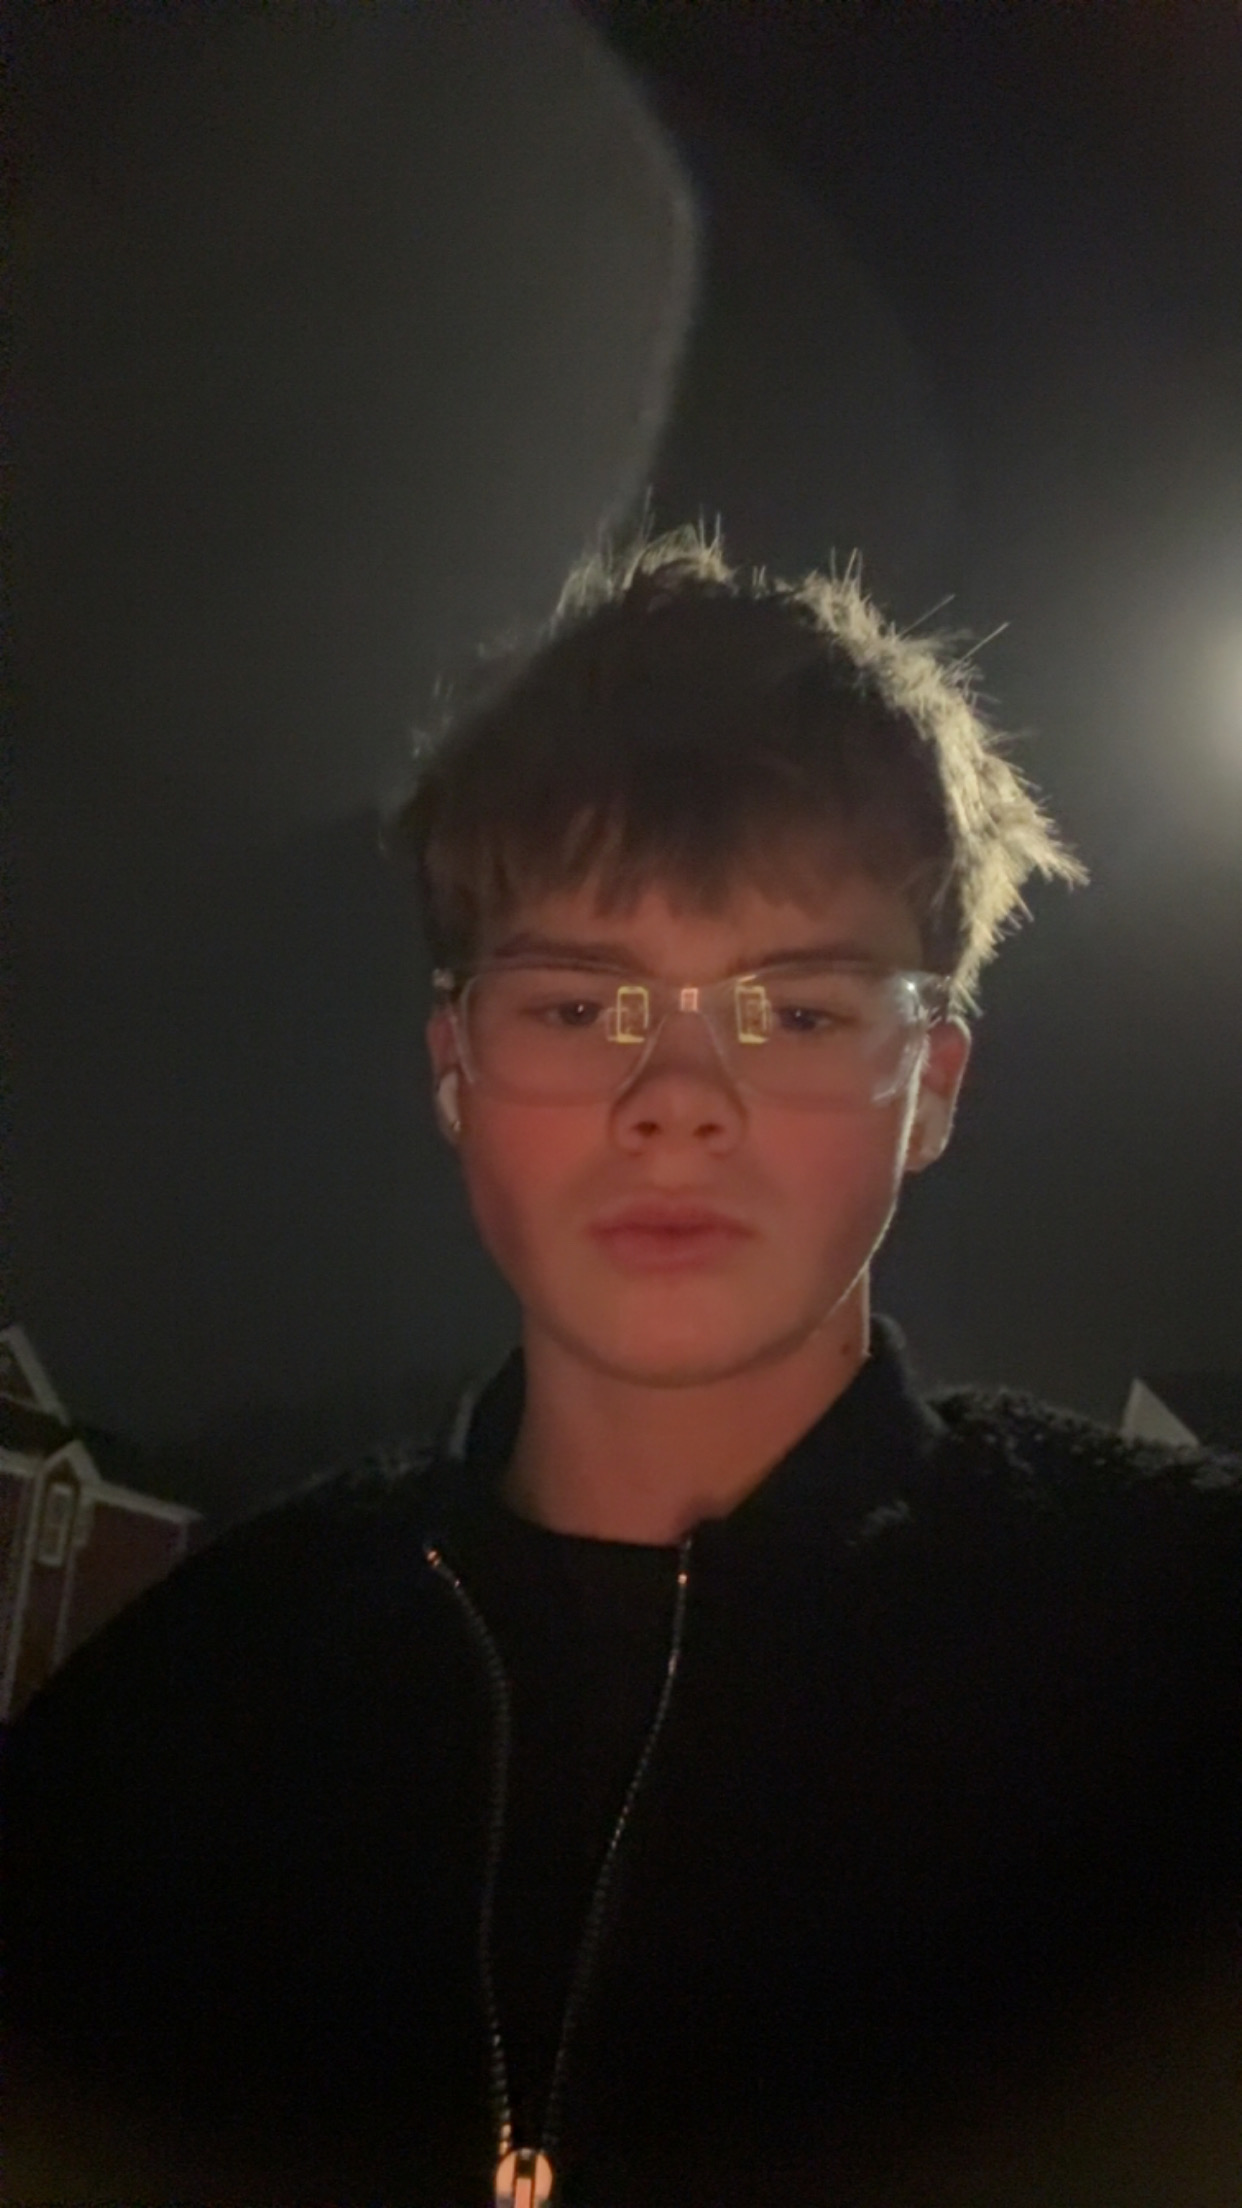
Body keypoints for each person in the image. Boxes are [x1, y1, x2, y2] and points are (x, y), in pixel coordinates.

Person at [6, 518, 1242, 2208]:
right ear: (454, 1070)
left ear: (931, 1087)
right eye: (579, 1007)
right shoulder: (183, 1724)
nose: (675, 1099)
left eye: (796, 1011)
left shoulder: (1181, 1660)